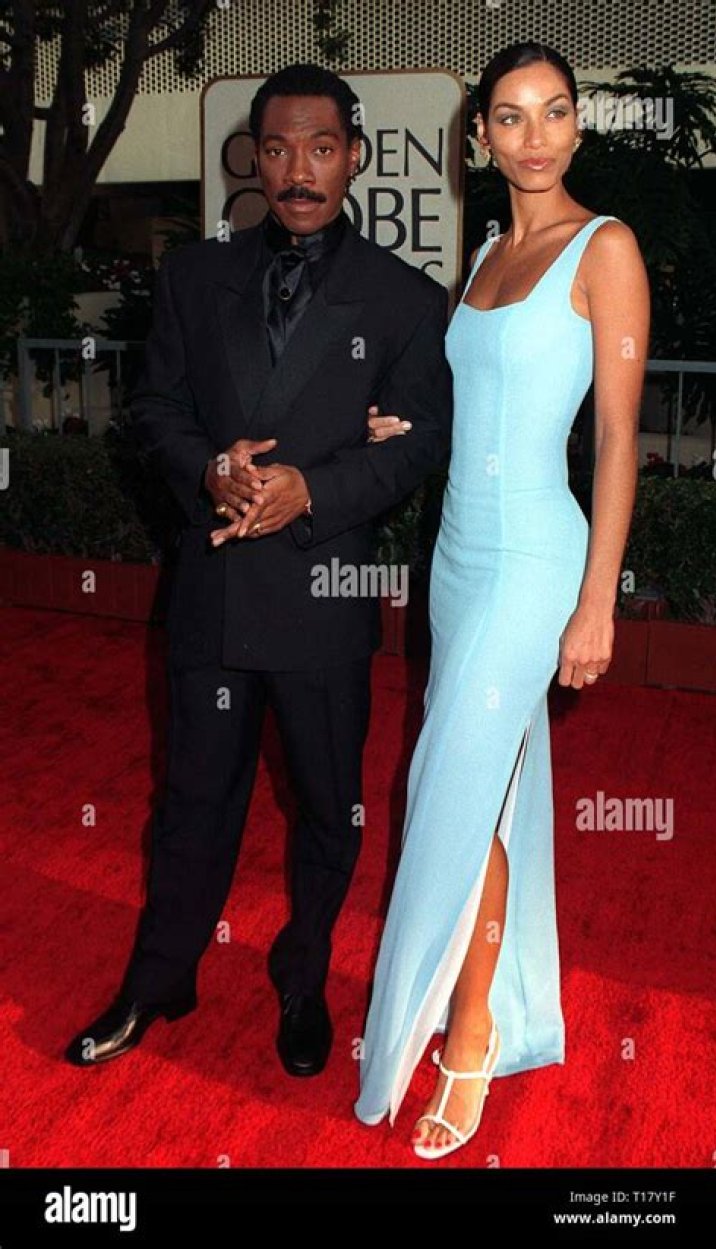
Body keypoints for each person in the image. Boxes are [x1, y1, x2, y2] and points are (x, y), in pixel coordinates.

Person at [65, 63, 452, 1077]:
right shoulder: (196, 277)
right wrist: (208, 467)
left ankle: (302, 976)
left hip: (324, 598)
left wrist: (312, 489)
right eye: (278, 149)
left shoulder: (407, 300)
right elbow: (154, 410)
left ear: (354, 157)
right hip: (215, 589)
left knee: (327, 807)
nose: (298, 170)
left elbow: (419, 444)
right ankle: (160, 977)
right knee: (193, 800)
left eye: (321, 148)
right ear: (254, 159)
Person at [356, 40, 650, 1158]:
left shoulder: (604, 247)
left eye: (555, 111)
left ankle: (470, 1032)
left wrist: (597, 600)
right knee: (482, 789)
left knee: (453, 790)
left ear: (577, 124)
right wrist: (404, 426)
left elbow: (617, 438)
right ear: (479, 135)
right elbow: (468, 404)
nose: (536, 136)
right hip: (457, 557)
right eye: (512, 117)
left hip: (535, 560)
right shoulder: (484, 251)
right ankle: (499, 1007)